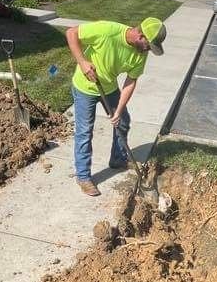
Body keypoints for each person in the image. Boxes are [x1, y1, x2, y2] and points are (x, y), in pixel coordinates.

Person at [66, 17, 166, 196]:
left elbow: (131, 81)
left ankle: (117, 159)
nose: (148, 50)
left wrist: (118, 111)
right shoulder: (107, 30)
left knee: (123, 121)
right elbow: (71, 33)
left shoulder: (140, 52)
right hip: (85, 87)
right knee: (84, 131)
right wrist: (82, 62)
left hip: (109, 87)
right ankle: (83, 176)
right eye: (149, 45)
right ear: (141, 35)